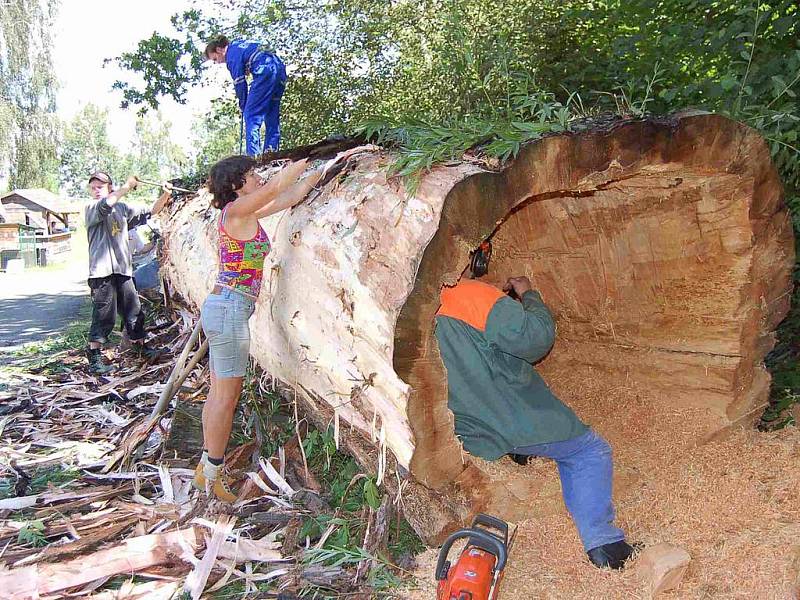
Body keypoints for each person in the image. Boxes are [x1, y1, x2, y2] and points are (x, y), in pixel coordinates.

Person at [434, 273, 637, 570]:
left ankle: (520, 451)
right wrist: (528, 294)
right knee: (590, 451)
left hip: (468, 427)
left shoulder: (417, 307)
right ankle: (605, 544)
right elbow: (536, 340)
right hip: (509, 416)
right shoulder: (468, 294)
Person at [193, 151, 354, 501]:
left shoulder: (243, 214)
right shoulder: (235, 211)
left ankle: (205, 467)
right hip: (230, 310)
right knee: (225, 397)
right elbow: (280, 185)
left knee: (219, 393)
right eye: (252, 175)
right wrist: (310, 157)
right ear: (237, 185)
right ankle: (211, 475)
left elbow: (289, 195)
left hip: (226, 308)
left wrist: (329, 167)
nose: (259, 178)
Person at [84, 171, 169, 374]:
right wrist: (127, 187)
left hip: (123, 271)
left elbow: (151, 211)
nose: (96, 191)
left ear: (109, 188)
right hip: (101, 273)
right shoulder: (91, 208)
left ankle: (140, 348)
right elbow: (105, 206)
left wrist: (165, 195)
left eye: (100, 187)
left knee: (134, 311)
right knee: (104, 316)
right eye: (93, 187)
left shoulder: (122, 208)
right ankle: (94, 359)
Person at [204, 35, 287, 157]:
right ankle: (271, 153)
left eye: (215, 59)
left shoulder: (231, 55)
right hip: (279, 69)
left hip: (264, 71)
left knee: (251, 115)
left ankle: (253, 157)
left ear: (219, 50)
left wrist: (244, 105)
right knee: (271, 113)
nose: (217, 62)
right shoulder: (240, 44)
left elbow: (240, 83)